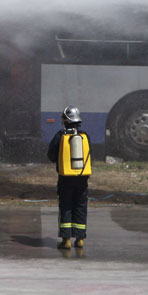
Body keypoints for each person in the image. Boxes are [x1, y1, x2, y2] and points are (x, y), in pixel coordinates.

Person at [47, 105, 92, 250]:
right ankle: (80, 239)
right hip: (82, 178)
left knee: (66, 206)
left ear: (65, 120)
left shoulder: (60, 135)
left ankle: (66, 240)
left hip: (65, 178)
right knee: (80, 206)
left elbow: (51, 155)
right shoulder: (85, 135)